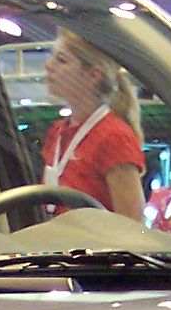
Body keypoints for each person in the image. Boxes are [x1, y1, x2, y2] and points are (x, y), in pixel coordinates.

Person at [40, 30, 146, 220]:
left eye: (61, 60)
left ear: (93, 75)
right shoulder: (58, 132)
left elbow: (132, 225)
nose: (49, 66)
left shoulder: (114, 137)